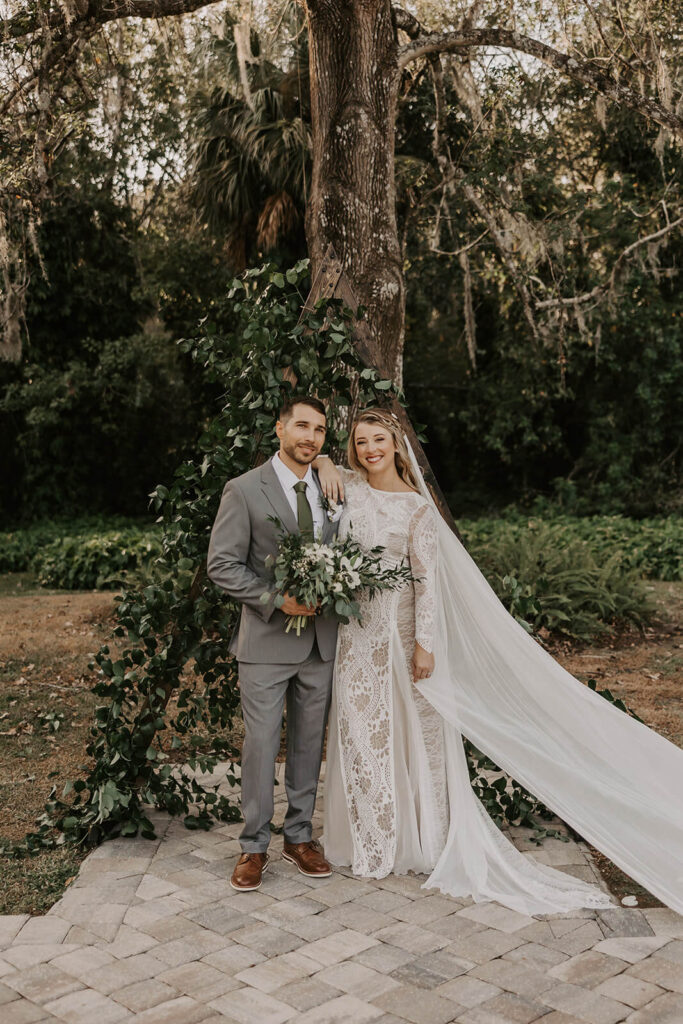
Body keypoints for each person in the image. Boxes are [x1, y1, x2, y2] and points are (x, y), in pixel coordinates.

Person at [315, 408, 683, 916]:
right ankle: (370, 842)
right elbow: (314, 477)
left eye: (379, 439)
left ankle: (420, 839)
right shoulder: (347, 488)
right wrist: (327, 466)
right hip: (355, 640)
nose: (369, 449)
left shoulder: (417, 510)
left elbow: (427, 584)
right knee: (362, 736)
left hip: (401, 640)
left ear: (397, 446)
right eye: (360, 442)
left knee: (417, 739)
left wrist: (426, 645)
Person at [207, 395, 339, 891]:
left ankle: (300, 836)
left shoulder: (332, 486)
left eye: (320, 431)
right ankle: (253, 846)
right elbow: (221, 565)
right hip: (264, 640)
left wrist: (329, 463)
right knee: (261, 745)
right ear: (279, 430)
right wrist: (275, 599)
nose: (310, 437)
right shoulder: (243, 490)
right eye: (301, 426)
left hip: (321, 643)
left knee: (309, 744)